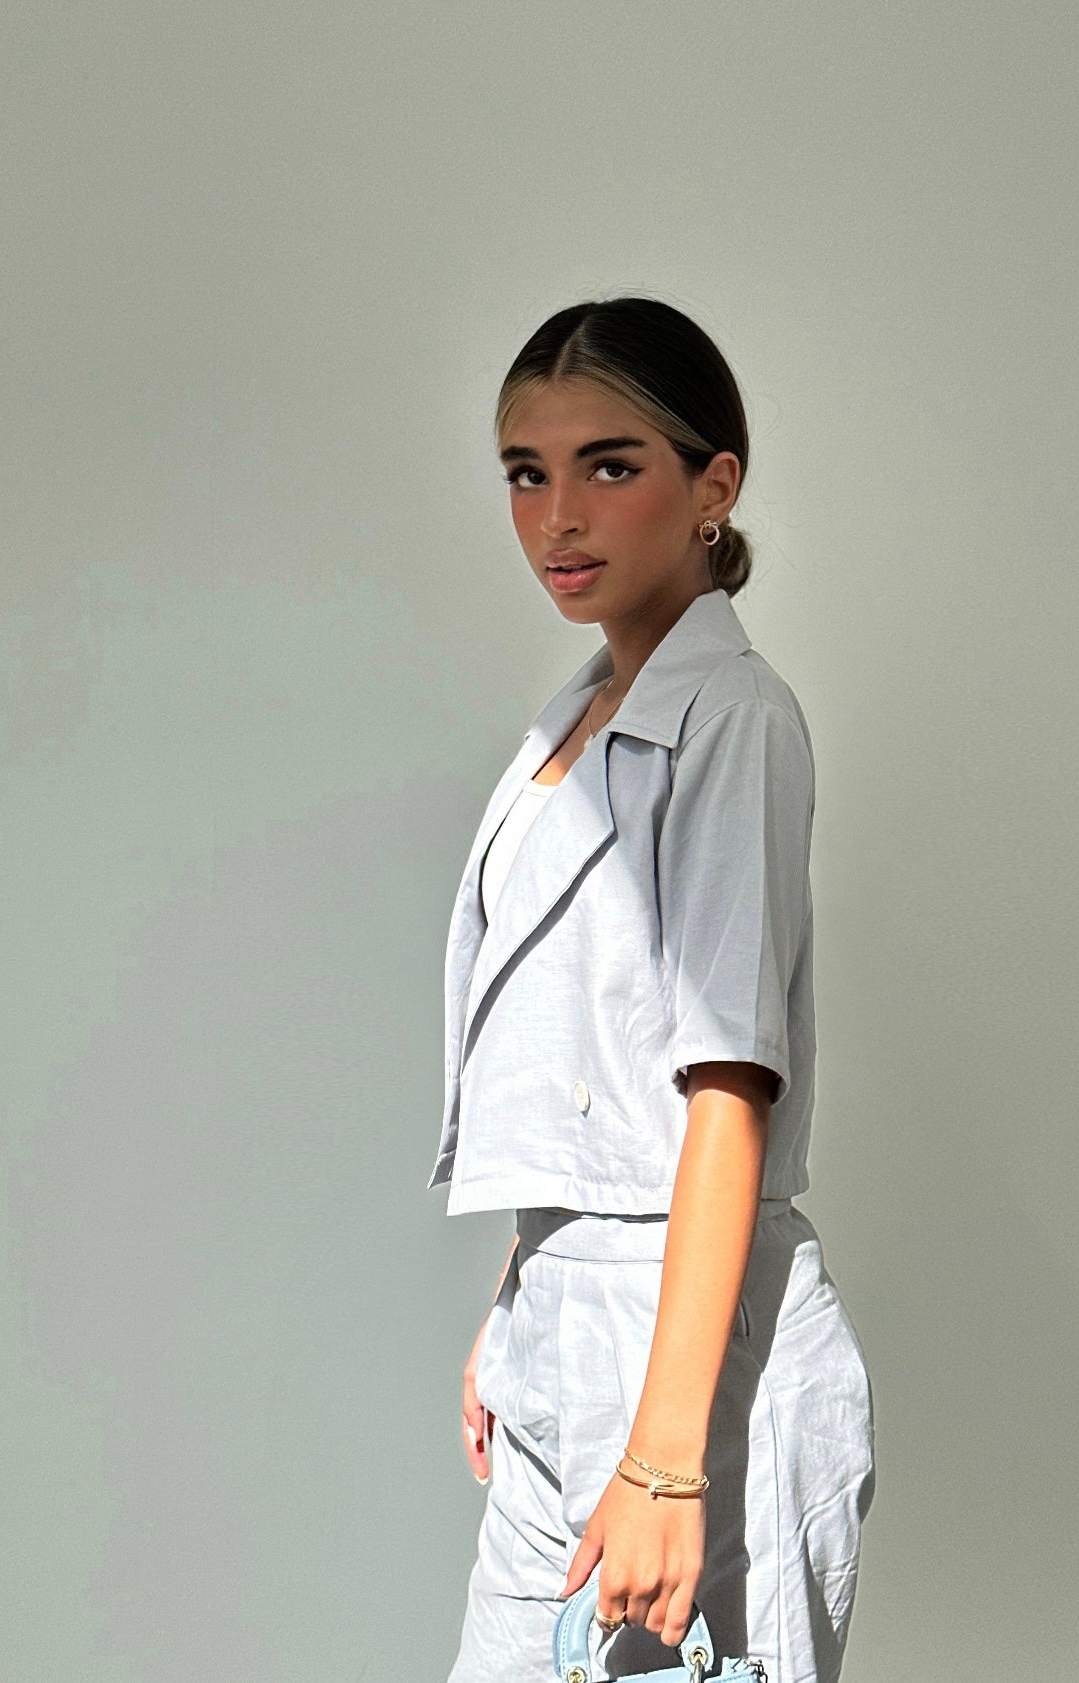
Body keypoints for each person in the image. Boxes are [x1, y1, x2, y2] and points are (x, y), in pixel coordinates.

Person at [427, 297, 874, 1683]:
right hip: (565, 1320)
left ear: (713, 486)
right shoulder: (574, 719)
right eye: (527, 472)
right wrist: (525, 1288)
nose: (558, 515)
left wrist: (668, 1462)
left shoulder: (732, 717)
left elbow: (726, 1083)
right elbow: (590, 1052)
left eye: (610, 465)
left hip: (686, 1347)